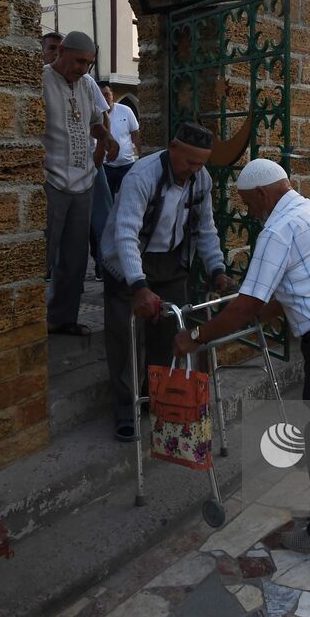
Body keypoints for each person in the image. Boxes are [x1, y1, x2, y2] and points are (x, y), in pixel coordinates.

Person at [173, 158, 310, 553]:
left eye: (249, 203)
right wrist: (252, 320)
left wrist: (196, 336)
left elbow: (247, 303)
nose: (249, 212)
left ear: (265, 194)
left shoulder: (278, 229)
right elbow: (289, 292)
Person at [99, 122, 232, 442]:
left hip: (171, 262)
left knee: (168, 334)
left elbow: (205, 229)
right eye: (189, 161)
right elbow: (126, 233)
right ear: (173, 148)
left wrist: (217, 268)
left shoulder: (201, 180)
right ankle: (124, 407)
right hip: (126, 261)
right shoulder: (141, 177)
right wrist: (138, 286)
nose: (194, 169)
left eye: (201, 163)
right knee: (124, 337)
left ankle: (156, 396)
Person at [42, 31, 117, 335]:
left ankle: (63, 318)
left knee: (75, 257)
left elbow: (95, 123)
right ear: (60, 52)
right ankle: (28, 321)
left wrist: (106, 139)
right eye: (78, 61)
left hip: (83, 180)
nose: (83, 68)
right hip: (51, 178)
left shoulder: (87, 85)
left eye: (88, 63)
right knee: (42, 253)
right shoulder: (42, 80)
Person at [101, 82, 141, 196]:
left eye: (106, 94)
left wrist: (141, 156)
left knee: (128, 197)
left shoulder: (126, 111)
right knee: (107, 200)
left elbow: (135, 135)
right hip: (106, 167)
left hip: (127, 166)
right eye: (101, 95)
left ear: (112, 95)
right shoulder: (96, 115)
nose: (104, 98)